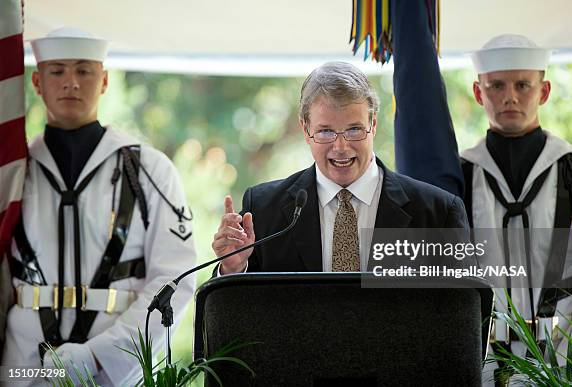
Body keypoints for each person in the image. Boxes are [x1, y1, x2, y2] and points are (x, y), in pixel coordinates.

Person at [1, 27, 196, 386]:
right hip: (22, 368)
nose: (70, 83)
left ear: (104, 80)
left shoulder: (150, 170)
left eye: (84, 70)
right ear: (37, 82)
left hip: (115, 371)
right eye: (57, 70)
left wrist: (99, 356)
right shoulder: (12, 173)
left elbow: (174, 280)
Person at [212, 61, 469, 275]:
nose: (341, 147)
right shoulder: (263, 209)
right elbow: (237, 313)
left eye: (354, 130)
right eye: (325, 132)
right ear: (306, 130)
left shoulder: (437, 213)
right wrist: (233, 267)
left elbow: (462, 317)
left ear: (374, 124)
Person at [461, 34, 572, 385]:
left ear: (543, 92)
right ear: (478, 92)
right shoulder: (459, 177)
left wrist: (569, 362)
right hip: (479, 366)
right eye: (496, 85)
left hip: (571, 363)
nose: (510, 96)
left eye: (523, 85)